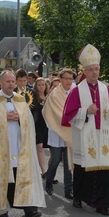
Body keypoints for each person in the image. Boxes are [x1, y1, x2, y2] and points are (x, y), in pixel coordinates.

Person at [0, 70, 45, 217]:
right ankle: (3, 208)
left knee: (22, 175)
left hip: (19, 145)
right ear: (1, 82)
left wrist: (20, 119)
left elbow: (29, 122)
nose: (11, 84)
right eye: (8, 81)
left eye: (12, 81)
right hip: (2, 148)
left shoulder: (20, 100)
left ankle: (29, 209)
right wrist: (4, 117)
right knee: (6, 177)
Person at [61, 44, 109, 216]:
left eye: (97, 69)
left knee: (105, 169)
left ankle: (103, 203)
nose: (94, 72)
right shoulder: (77, 91)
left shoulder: (106, 89)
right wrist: (86, 111)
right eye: (91, 69)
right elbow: (67, 115)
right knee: (83, 168)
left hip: (104, 136)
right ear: (85, 71)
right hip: (85, 136)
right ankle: (79, 196)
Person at [42, 69, 75, 200]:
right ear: (60, 79)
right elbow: (50, 112)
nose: (68, 81)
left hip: (70, 131)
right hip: (56, 130)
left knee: (68, 162)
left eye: (70, 78)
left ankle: (68, 189)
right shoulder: (55, 94)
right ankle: (48, 181)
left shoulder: (75, 91)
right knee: (56, 159)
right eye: (66, 78)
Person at [33, 77, 49, 176]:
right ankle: (43, 170)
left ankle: (49, 171)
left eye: (43, 84)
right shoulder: (34, 97)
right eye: (39, 84)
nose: (41, 86)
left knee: (50, 149)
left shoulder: (49, 96)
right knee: (39, 146)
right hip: (37, 124)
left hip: (47, 125)